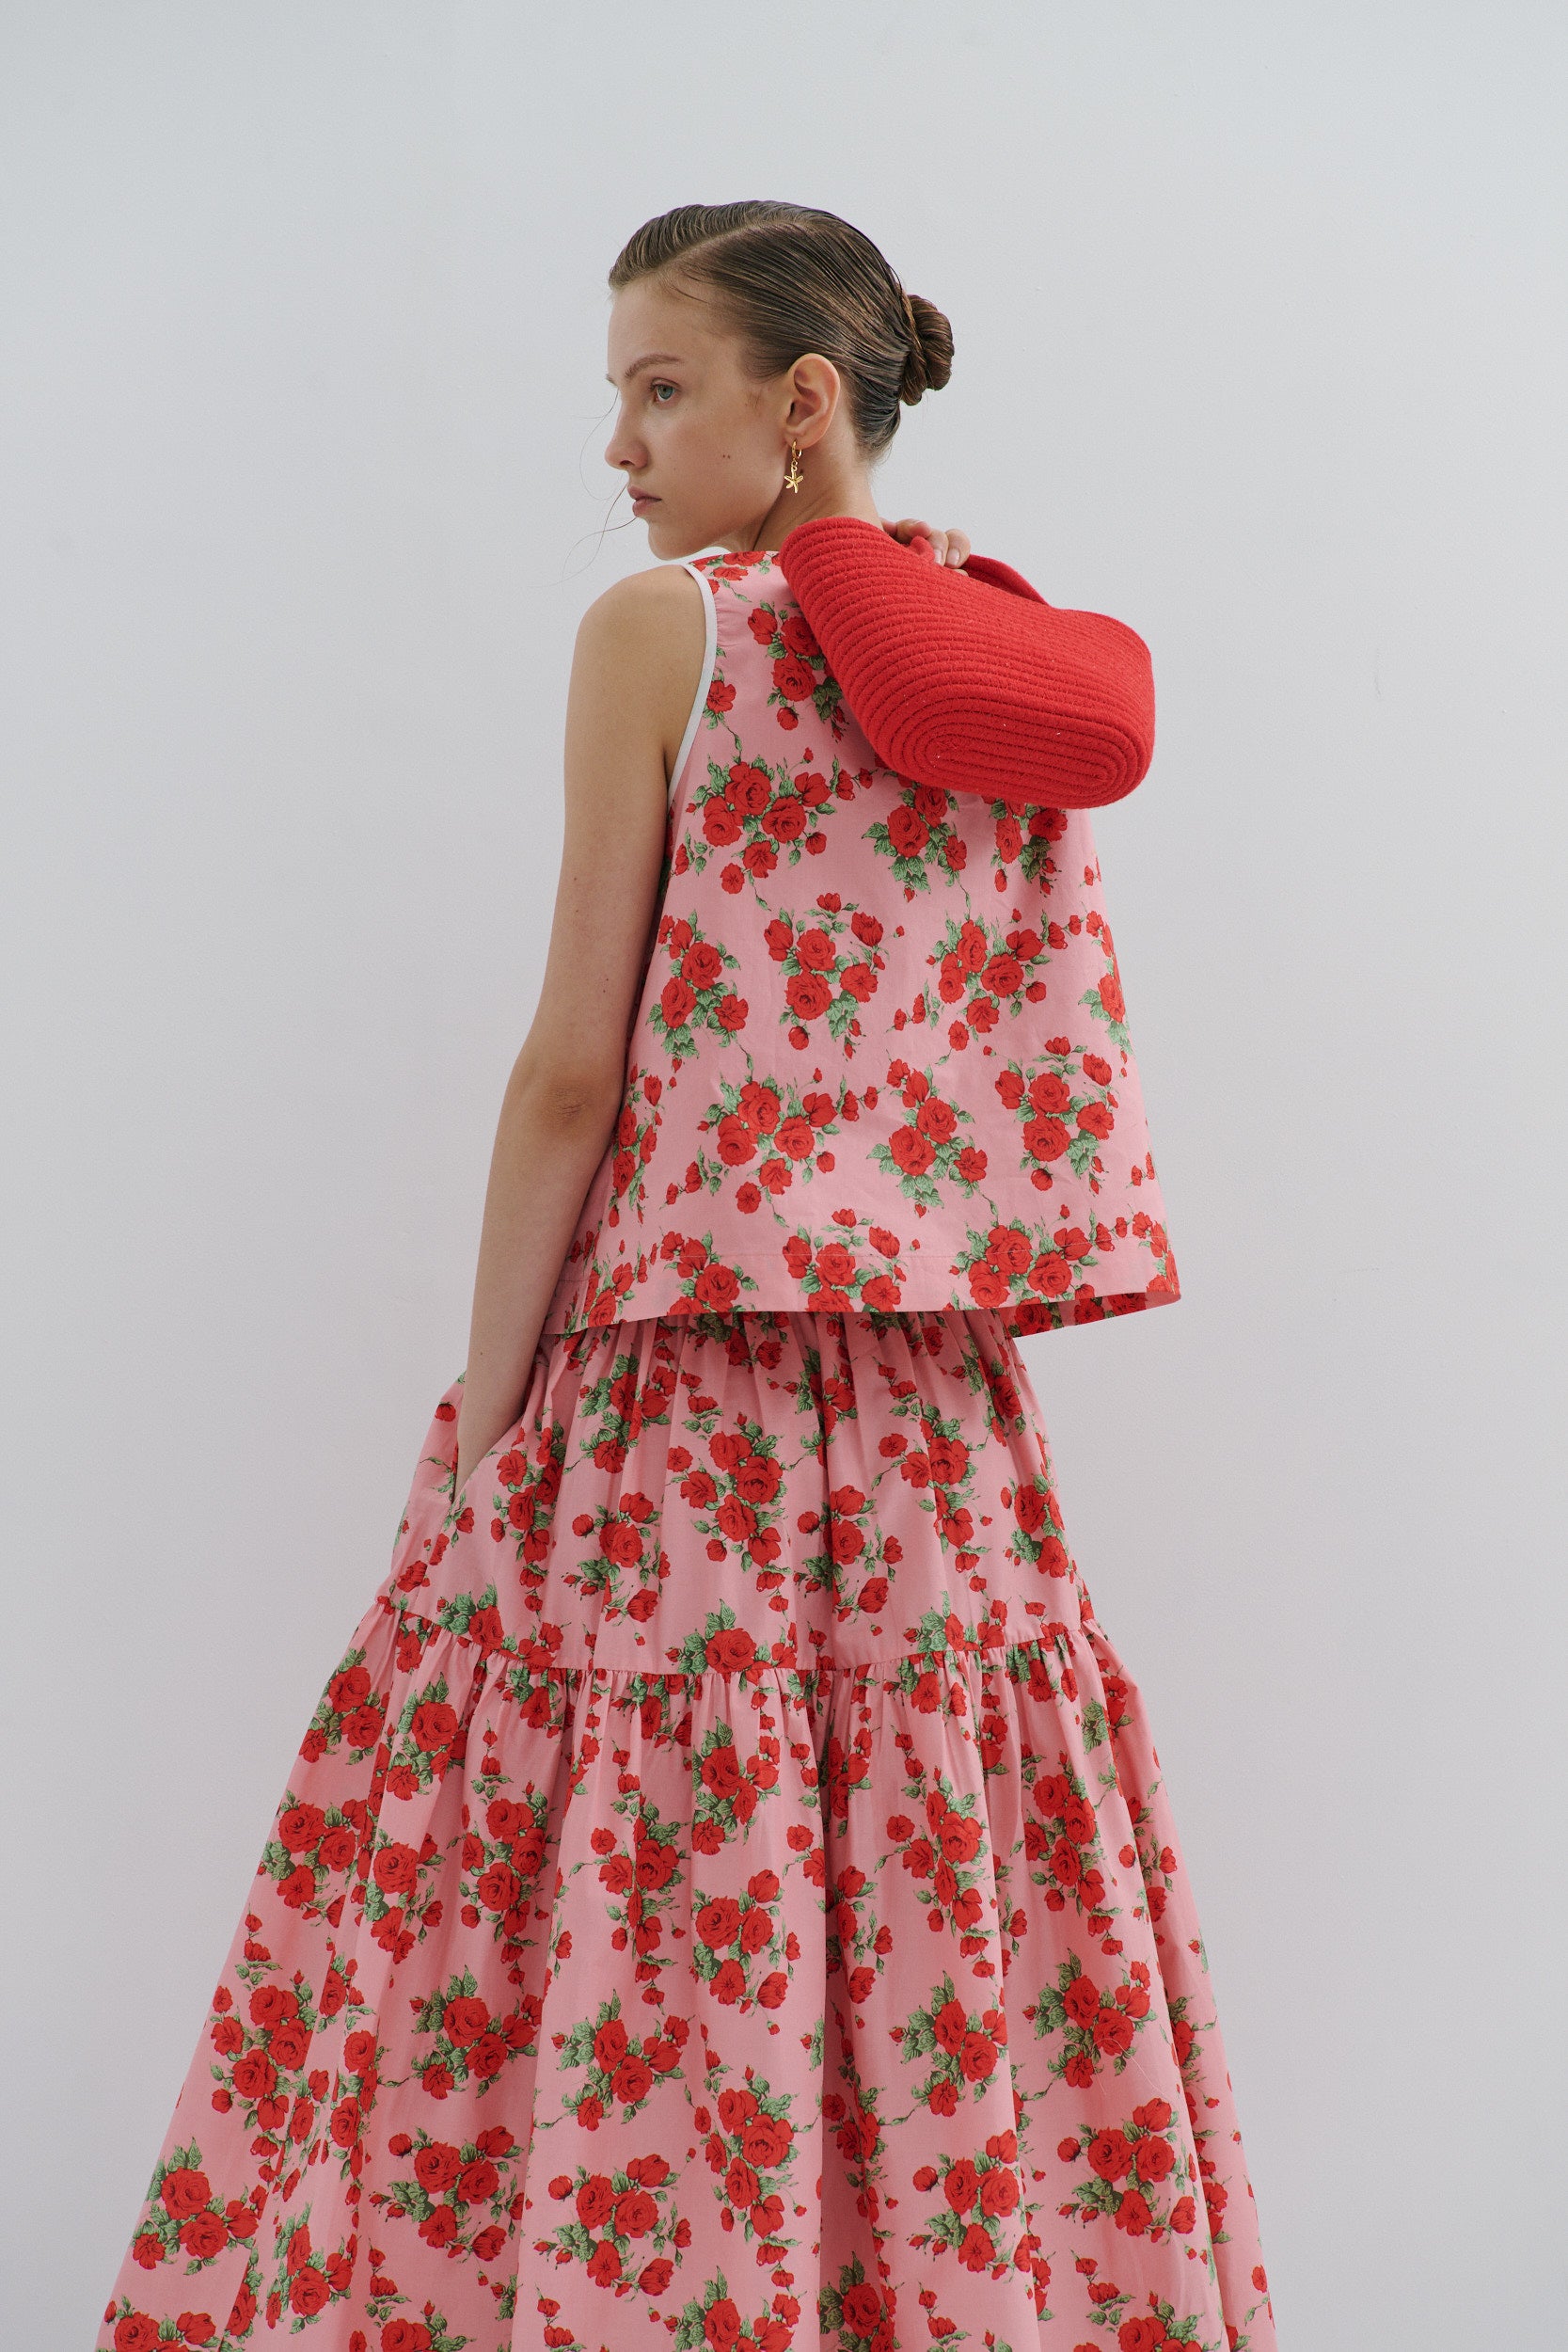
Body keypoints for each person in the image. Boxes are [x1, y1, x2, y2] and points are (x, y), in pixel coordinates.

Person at [97, 201, 1276, 2352]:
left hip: (685, 1403)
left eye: (662, 386)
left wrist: (483, 1408)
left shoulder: (672, 631)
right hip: (934, 1412)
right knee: (926, 1875)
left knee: (629, 1868)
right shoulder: (1009, 659)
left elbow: (573, 1070)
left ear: (800, 404)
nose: (620, 445)